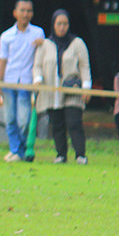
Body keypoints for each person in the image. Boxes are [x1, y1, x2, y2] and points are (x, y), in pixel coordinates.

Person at [32, 10, 92, 164]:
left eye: (65, 24)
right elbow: (37, 66)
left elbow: (85, 66)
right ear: (53, 25)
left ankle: (80, 155)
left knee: (74, 122)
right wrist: (38, 80)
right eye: (59, 24)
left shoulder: (77, 43)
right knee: (57, 124)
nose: (62, 27)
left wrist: (86, 86)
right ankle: (61, 154)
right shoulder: (45, 44)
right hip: (52, 91)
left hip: (72, 90)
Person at [0, 0, 45, 162]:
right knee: (10, 119)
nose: (25, 14)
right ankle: (16, 150)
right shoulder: (6, 36)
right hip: (9, 82)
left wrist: (42, 44)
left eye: (29, 10)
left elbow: (43, 55)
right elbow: (2, 61)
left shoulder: (38, 33)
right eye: (22, 10)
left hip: (26, 82)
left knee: (23, 120)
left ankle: (19, 150)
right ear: (15, 13)